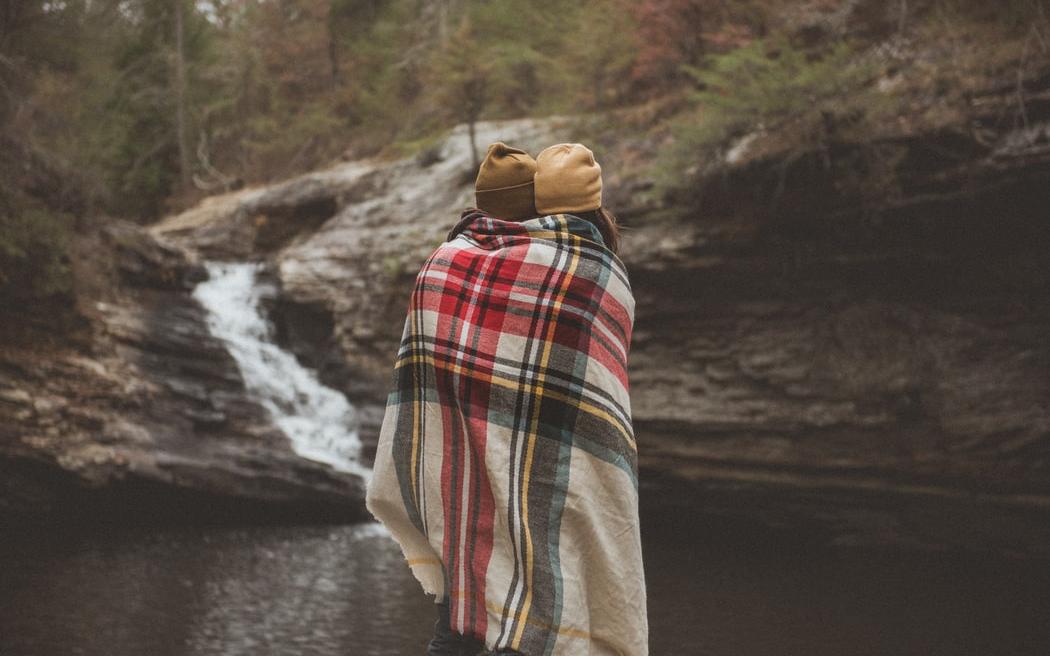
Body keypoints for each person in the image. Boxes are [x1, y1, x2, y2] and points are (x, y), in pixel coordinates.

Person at [366, 141, 647, 656]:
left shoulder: (444, 263)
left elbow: (424, 389)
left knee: (458, 626)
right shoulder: (596, 272)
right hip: (560, 488)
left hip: (464, 488)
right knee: (545, 627)